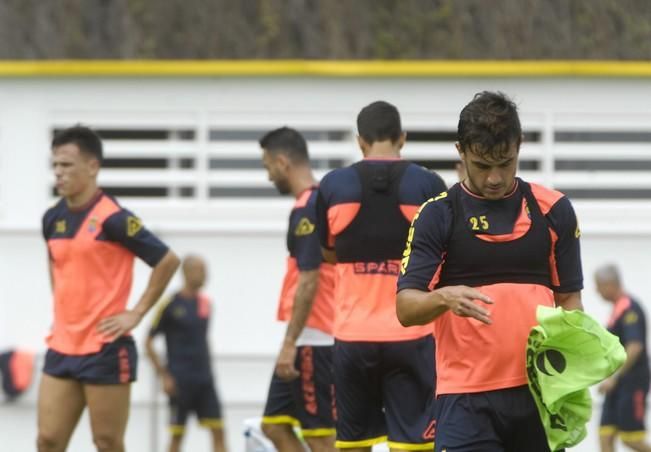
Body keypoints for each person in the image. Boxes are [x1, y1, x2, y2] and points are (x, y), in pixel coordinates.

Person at [396, 91, 584, 452]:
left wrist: (579, 361)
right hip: (465, 400)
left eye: (506, 162)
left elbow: (570, 300)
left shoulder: (554, 210)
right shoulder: (438, 215)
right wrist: (443, 297)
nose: (495, 178)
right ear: (461, 152)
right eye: (482, 166)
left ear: (519, 146)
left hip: (539, 395)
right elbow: (406, 307)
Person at [38, 125, 180, 452]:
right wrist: (62, 312)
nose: (58, 173)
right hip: (62, 346)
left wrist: (137, 312)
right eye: (55, 165)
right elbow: (56, 264)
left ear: (92, 166)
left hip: (105, 347)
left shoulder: (114, 218)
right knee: (47, 440)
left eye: (67, 165)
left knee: (106, 442)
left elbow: (168, 260)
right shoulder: (51, 218)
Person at [315, 101, 446, 452]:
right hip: (413, 334)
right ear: (402, 138)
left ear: (360, 142)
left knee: (353, 444)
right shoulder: (428, 184)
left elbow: (326, 252)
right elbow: (445, 255)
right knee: (416, 447)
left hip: (352, 337)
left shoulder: (332, 186)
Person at [259, 127, 337, 452]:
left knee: (320, 436)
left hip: (315, 338)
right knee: (274, 424)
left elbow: (309, 278)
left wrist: (290, 343)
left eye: (267, 167)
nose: (268, 176)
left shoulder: (309, 207)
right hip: (307, 335)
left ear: (282, 162)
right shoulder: (315, 202)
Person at [145, 255, 227, 452]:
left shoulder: (206, 304)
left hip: (204, 378)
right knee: (177, 433)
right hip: (180, 379)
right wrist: (164, 376)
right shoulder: (170, 304)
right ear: (187, 272)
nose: (205, 275)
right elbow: (148, 342)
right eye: (201, 270)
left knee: (218, 430)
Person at [596, 264, 651, 452]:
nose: (596, 291)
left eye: (598, 286)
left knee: (631, 439)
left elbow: (635, 347)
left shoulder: (630, 309)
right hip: (616, 386)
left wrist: (615, 378)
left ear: (609, 284)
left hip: (631, 383)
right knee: (605, 435)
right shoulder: (616, 311)